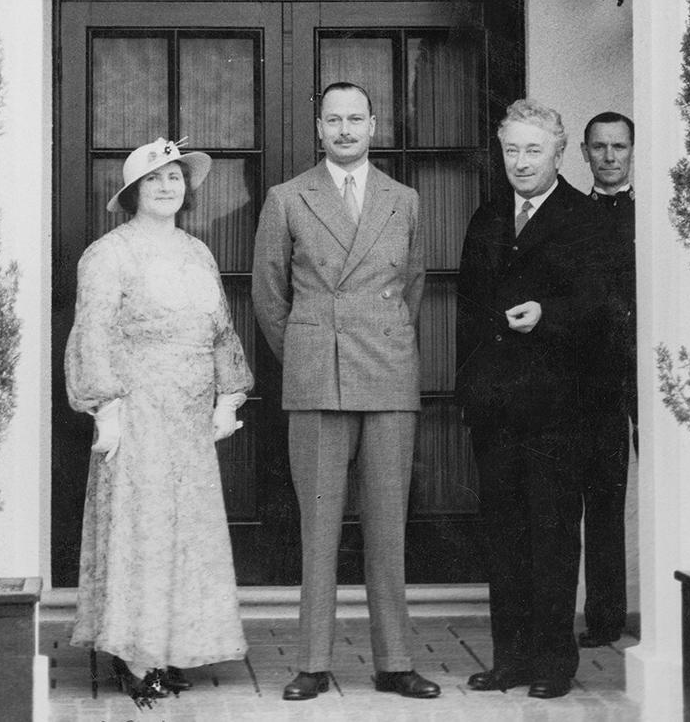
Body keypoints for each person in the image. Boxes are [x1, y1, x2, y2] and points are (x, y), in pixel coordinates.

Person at [251, 82, 439, 701]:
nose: (345, 130)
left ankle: (395, 662)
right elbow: (270, 295)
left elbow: (411, 287)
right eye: (334, 120)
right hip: (317, 377)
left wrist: (376, 336)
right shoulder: (287, 197)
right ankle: (312, 661)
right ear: (319, 128)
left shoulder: (404, 200)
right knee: (320, 529)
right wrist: (311, 349)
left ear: (374, 125)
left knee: (388, 528)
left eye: (356, 119)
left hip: (387, 373)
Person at [65, 137, 254, 708]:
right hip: (140, 410)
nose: (169, 187)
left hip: (189, 417)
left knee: (183, 532)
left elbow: (220, 329)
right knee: (140, 529)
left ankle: (168, 651)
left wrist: (228, 396)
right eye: (155, 180)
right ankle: (135, 656)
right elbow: (93, 333)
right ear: (133, 193)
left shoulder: (198, 253)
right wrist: (108, 409)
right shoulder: (108, 254)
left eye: (176, 178)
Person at [456, 99, 604, 700]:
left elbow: (604, 308)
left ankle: (552, 665)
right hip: (495, 409)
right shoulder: (488, 217)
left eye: (533, 150)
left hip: (557, 411)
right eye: (511, 149)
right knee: (504, 536)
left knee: (551, 535)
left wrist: (548, 315)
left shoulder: (584, 219)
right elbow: (466, 311)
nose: (520, 161)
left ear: (559, 153)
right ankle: (510, 660)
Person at [577, 111, 637, 648]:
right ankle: (603, 620)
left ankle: (667, 613)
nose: (610, 157)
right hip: (594, 374)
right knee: (602, 499)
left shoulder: (652, 213)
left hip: (644, 369)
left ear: (632, 150)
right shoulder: (574, 216)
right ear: (583, 151)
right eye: (600, 147)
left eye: (619, 147)